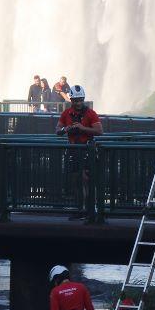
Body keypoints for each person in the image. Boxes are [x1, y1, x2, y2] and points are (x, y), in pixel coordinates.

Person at [56, 84, 102, 220]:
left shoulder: (90, 113)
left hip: (87, 150)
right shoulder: (66, 114)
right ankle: (80, 209)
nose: (79, 103)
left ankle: (89, 210)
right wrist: (66, 129)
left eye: (81, 100)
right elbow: (57, 130)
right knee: (76, 181)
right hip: (73, 151)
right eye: (76, 100)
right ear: (71, 100)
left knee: (86, 180)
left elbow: (99, 131)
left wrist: (82, 128)